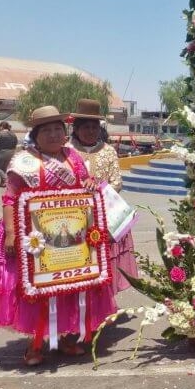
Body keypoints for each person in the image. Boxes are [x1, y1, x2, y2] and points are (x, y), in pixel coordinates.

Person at [0, 105, 117, 366]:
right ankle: (35, 344)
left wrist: (91, 184)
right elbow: (9, 198)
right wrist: (12, 233)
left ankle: (66, 339)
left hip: (67, 236)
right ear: (35, 135)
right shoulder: (23, 161)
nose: (52, 135)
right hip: (32, 237)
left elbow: (84, 185)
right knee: (36, 290)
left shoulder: (72, 157)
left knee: (68, 286)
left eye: (57, 129)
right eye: (46, 130)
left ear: (64, 132)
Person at [69, 98, 137, 295]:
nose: (91, 131)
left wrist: (99, 189)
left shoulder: (108, 151)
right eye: (86, 127)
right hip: (75, 215)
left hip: (103, 215)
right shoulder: (67, 151)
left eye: (94, 127)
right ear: (77, 128)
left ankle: (102, 303)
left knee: (102, 261)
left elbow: (118, 182)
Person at [0, 121, 18, 187]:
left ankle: (7, 180)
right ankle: (2, 183)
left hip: (1, 153)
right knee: (3, 169)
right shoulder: (13, 134)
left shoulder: (0, 133)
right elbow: (16, 142)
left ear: (1, 126)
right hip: (11, 153)